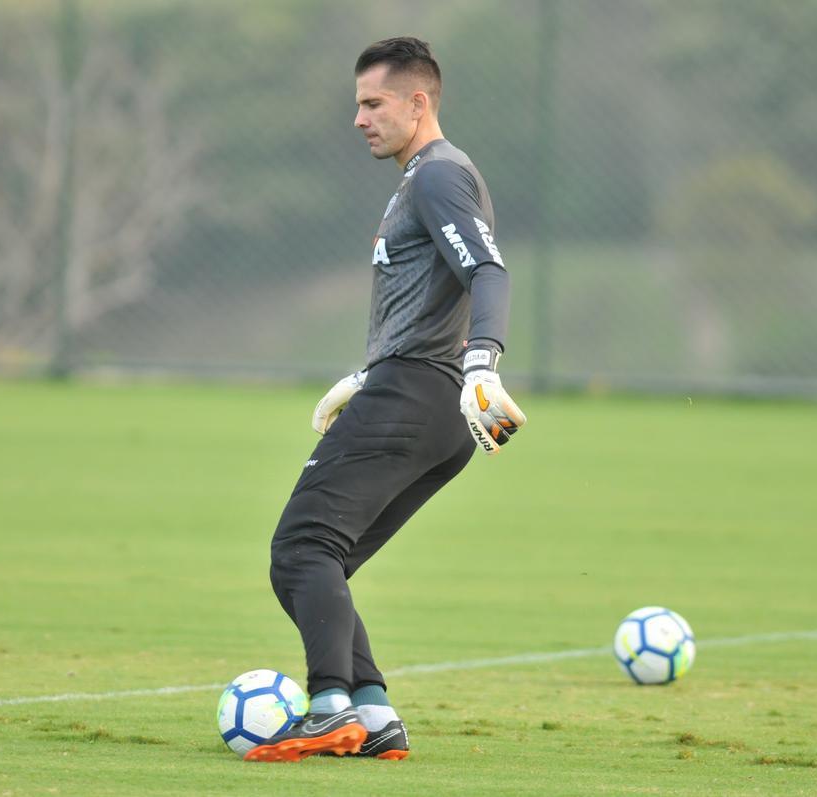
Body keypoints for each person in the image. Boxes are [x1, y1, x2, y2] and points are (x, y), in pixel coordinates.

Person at [244, 36, 527, 763]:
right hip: (427, 404)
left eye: (373, 104)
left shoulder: (437, 176)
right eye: (359, 105)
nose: (360, 119)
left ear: (417, 102)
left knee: (301, 549)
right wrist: (369, 375)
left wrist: (482, 361)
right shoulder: (425, 179)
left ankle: (328, 708)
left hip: (420, 393)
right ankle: (372, 714)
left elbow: (488, 271)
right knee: (321, 561)